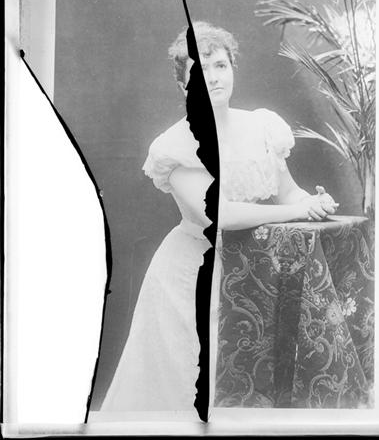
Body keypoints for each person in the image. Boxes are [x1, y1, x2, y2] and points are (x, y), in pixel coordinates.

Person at [100, 21, 338, 413]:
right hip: (193, 276)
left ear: (233, 70)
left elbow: (289, 192)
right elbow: (219, 214)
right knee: (190, 389)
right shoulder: (175, 146)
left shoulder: (262, 127)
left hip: (257, 272)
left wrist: (313, 201)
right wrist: (294, 211)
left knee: (252, 383)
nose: (213, 77)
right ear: (184, 86)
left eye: (221, 66)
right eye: (200, 70)